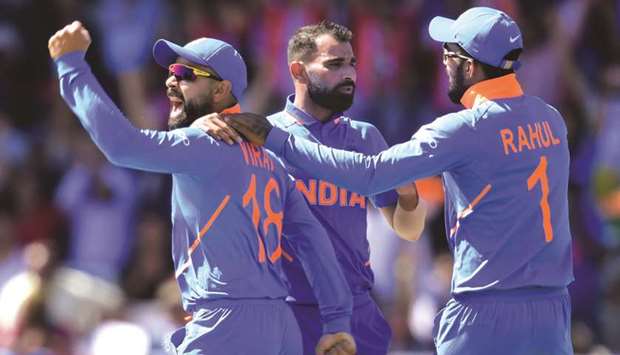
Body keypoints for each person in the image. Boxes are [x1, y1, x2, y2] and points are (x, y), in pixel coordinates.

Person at [224, 7, 575, 355]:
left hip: (486, 309)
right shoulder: (551, 120)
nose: (442, 62)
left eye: (449, 54)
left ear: (469, 67)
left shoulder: (461, 130)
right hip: (552, 309)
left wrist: (279, 140)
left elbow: (371, 174)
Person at [48, 21, 357, 355]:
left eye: (185, 73)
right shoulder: (272, 163)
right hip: (281, 329)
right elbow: (315, 244)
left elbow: (121, 146)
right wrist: (337, 322)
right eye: (170, 71)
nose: (171, 80)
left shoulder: (204, 141)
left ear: (221, 91)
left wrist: (71, 66)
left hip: (226, 326)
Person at [194, 20, 426, 355]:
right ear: (298, 71)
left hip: (356, 313)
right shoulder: (261, 133)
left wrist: (408, 192)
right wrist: (202, 124)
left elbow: (409, 229)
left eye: (352, 64)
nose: (349, 74)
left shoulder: (365, 137)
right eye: (334, 64)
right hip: (287, 312)